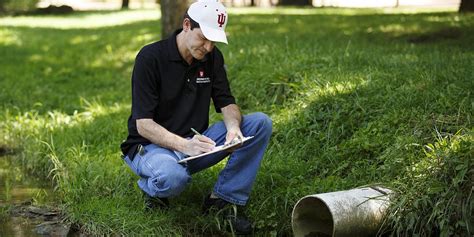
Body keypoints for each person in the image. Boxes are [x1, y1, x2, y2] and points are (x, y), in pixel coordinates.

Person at [120, 0, 272, 234]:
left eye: (214, 40)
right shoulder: (151, 57)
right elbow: (143, 125)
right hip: (150, 146)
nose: (209, 47)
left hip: (196, 143)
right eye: (204, 38)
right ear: (187, 25)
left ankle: (221, 201)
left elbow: (227, 101)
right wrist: (184, 145)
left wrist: (233, 128)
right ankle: (153, 188)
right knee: (173, 179)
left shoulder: (212, 58)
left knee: (260, 123)